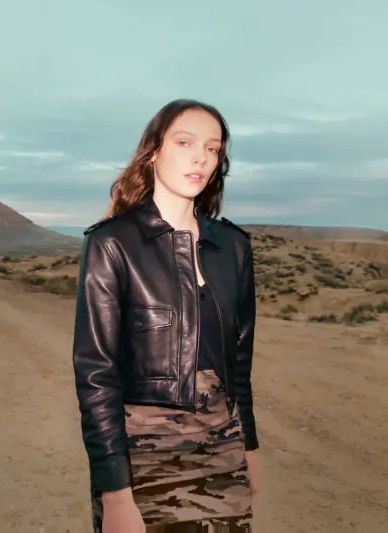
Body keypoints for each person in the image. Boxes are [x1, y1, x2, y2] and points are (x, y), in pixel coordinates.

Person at [72, 98, 260, 533]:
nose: (201, 158)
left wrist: (249, 449)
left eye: (212, 148)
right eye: (184, 142)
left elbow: (240, 363)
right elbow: (96, 374)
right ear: (154, 150)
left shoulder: (233, 247)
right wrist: (114, 492)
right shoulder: (113, 244)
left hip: (224, 447)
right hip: (144, 453)